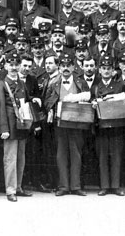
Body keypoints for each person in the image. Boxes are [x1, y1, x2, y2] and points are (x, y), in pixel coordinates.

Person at [45, 53, 91, 196]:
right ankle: (63, 186)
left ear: (73, 67)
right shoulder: (53, 83)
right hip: (60, 124)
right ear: (59, 68)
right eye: (63, 66)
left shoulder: (81, 82)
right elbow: (46, 101)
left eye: (68, 66)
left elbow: (88, 99)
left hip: (77, 123)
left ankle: (76, 186)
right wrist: (51, 109)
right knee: (61, 154)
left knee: (76, 153)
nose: (65, 68)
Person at [0, 53, 36, 202]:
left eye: (16, 65)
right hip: (10, 127)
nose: (13, 67)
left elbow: (25, 101)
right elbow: (0, 108)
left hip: (21, 125)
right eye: (10, 64)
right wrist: (4, 128)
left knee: (21, 158)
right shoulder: (1, 84)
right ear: (5, 66)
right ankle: (10, 189)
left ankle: (18, 187)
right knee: (10, 159)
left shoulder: (21, 83)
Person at [91, 55, 125, 196]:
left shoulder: (119, 86)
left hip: (116, 125)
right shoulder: (95, 87)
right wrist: (94, 104)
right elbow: (91, 104)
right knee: (103, 156)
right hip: (101, 126)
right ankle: (104, 186)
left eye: (109, 69)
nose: (106, 71)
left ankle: (116, 186)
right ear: (99, 70)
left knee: (116, 156)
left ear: (113, 71)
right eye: (104, 68)